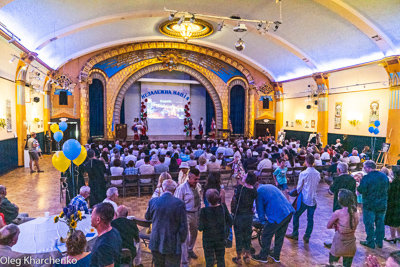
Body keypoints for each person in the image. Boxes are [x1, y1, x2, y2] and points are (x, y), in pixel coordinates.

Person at [145, 179, 188, 267]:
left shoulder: (153, 201)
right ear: (175, 189)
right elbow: (184, 226)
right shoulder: (180, 203)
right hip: (173, 242)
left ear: (163, 189)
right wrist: (180, 240)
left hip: (156, 240)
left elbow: (147, 217)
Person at [251, 184, 295, 263]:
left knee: (265, 235)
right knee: (280, 236)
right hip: (288, 212)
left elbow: (260, 210)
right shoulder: (269, 186)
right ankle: (276, 255)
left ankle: (263, 256)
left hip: (277, 215)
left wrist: (263, 222)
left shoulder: (259, 192)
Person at [286, 154, 321, 243]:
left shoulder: (304, 173)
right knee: (310, 219)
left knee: (296, 214)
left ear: (306, 161)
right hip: (313, 198)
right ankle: (307, 236)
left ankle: (295, 233)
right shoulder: (317, 173)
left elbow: (298, 188)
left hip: (305, 198)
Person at [358, 160, 389, 249]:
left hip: (370, 205)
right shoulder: (384, 176)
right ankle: (379, 241)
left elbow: (360, 190)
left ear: (368, 168)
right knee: (380, 223)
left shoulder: (366, 178)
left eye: (364, 167)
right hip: (382, 204)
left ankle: (370, 241)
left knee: (369, 224)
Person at [174, 168, 202, 266]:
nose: (197, 181)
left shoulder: (198, 186)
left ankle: (190, 249)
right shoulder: (181, 188)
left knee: (194, 233)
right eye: (195, 179)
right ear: (189, 177)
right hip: (185, 214)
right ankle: (184, 261)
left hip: (195, 213)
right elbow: (177, 204)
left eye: (198, 179)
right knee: (185, 237)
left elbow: (199, 200)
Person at [199, 189, 232, 267]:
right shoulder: (223, 208)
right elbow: (230, 221)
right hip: (220, 238)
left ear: (207, 199)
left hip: (208, 240)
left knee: (209, 261)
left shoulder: (204, 211)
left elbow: (200, 227)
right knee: (221, 260)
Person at [327, 189, 359, 267]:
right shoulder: (356, 211)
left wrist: (336, 225)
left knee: (332, 264)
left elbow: (328, 226)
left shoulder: (338, 213)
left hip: (339, 242)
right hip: (351, 242)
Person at [232, 173, 258, 265]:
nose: (244, 176)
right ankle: (247, 255)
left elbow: (236, 196)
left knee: (239, 236)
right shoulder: (254, 191)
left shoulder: (241, 189)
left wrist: (238, 179)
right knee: (247, 235)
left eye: (245, 176)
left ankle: (238, 257)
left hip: (239, 216)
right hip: (249, 216)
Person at [90, 202, 122, 267]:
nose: (90, 217)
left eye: (92, 215)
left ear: (98, 220)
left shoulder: (104, 246)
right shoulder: (114, 231)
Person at [384, 166, 400, 243]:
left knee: (392, 221)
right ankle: (399, 235)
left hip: (394, 203)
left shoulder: (395, 182)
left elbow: (390, 194)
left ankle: (393, 236)